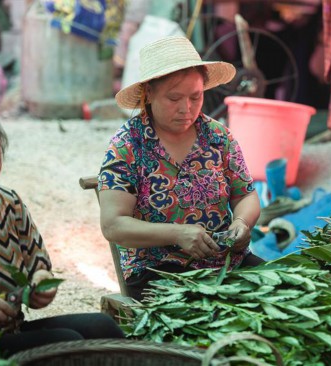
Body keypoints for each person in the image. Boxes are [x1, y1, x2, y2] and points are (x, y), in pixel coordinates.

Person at [98, 36, 263, 300]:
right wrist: (178, 234)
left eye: (195, 97)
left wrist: (242, 222)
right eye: (174, 98)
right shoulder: (128, 145)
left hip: (227, 263)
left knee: (292, 291)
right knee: (210, 310)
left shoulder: (218, 137)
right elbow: (113, 225)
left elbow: (245, 194)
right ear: (149, 93)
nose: (186, 109)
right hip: (158, 271)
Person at [0, 97, 125, 356]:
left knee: (102, 328)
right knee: (65, 344)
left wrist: (41, 283)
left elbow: (38, 266)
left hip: (9, 333)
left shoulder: (7, 203)